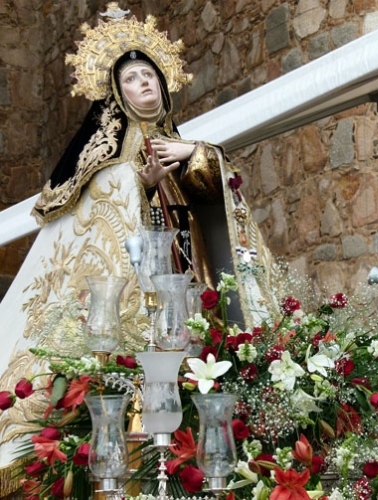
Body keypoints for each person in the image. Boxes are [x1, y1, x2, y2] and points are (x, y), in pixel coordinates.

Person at [0, 5, 277, 492]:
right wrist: (140, 184)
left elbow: (215, 202)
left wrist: (198, 154)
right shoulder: (105, 160)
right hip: (134, 293)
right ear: (117, 94)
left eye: (150, 75)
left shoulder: (181, 143)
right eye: (131, 78)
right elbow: (98, 215)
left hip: (188, 281)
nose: (144, 82)